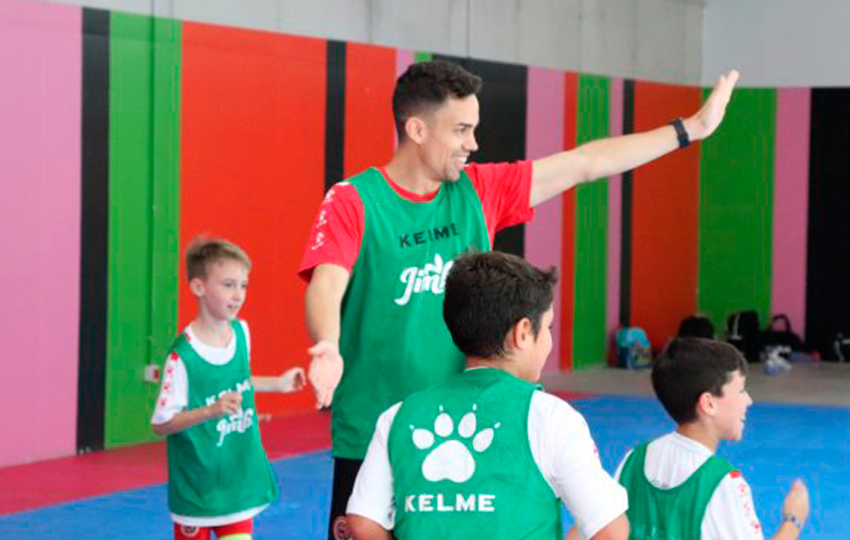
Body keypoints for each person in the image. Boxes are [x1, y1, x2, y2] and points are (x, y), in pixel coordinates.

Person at [299, 59, 740, 539]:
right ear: (417, 128)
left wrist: (689, 129)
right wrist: (327, 343)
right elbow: (328, 280)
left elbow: (584, 163)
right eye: (462, 130)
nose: (474, 144)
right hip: (374, 428)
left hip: (478, 425)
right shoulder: (355, 199)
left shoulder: (478, 192)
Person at [345, 251, 630, 540]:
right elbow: (610, 529)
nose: (549, 340)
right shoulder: (551, 418)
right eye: (548, 327)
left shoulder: (398, 417)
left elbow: (361, 521)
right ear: (522, 332)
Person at [152, 237, 306, 540]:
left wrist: (278, 383)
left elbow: (238, 383)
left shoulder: (241, 332)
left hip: (238, 481)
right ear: (198, 287)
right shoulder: (182, 357)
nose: (238, 295)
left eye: (243, 285)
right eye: (228, 285)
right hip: (198, 487)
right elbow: (162, 423)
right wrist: (212, 410)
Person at [613, 338, 810, 540]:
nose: (748, 400)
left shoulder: (632, 460)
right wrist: (793, 520)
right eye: (741, 390)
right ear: (708, 403)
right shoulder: (723, 483)